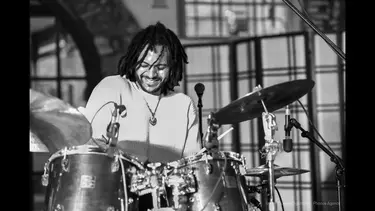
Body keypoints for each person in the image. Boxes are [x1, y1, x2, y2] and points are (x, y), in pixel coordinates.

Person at [81, 22, 201, 210]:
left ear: (172, 67)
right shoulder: (112, 87)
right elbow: (90, 145)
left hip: (166, 202)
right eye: (144, 65)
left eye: (161, 67)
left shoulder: (184, 104)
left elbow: (192, 164)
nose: (152, 73)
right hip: (115, 196)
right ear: (133, 60)